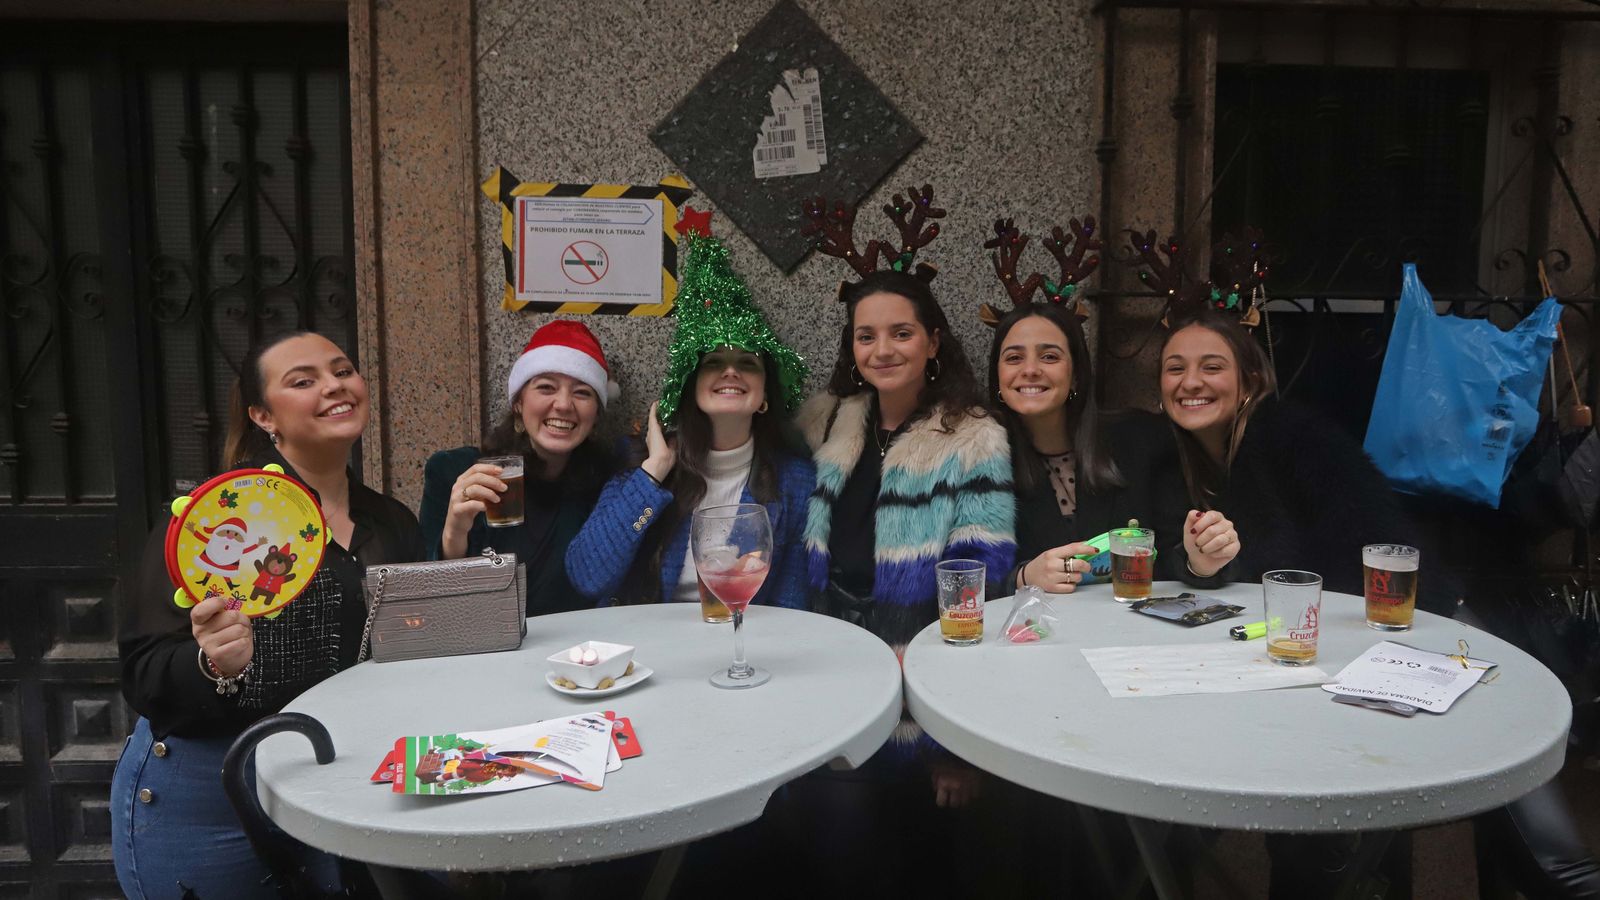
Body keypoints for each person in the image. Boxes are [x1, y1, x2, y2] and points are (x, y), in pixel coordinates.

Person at [113, 332, 423, 899]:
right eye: (303, 381)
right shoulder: (214, 520)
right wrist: (212, 663)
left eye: (343, 370)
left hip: (342, 776)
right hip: (214, 792)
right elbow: (142, 672)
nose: (334, 386)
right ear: (263, 415)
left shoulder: (391, 520)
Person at [789, 187, 1015, 895]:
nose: (882, 348)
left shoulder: (973, 436)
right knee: (832, 857)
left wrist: (955, 743)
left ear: (934, 342)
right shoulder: (830, 422)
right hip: (834, 692)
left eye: (900, 333)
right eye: (866, 335)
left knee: (908, 869)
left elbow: (981, 587)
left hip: (923, 705)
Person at [564, 210, 813, 611]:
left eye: (748, 362)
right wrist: (655, 471)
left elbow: (791, 603)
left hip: (741, 653)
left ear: (765, 392)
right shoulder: (642, 466)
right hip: (642, 659)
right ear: (690, 384)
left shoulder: (795, 481)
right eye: (712, 361)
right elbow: (587, 577)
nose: (730, 370)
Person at [418, 320, 616, 616]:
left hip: (575, 653)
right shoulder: (453, 472)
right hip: (484, 652)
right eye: (546, 387)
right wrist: (454, 534)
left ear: (596, 414)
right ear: (518, 404)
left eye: (582, 392)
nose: (563, 404)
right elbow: (427, 603)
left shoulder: (607, 486)